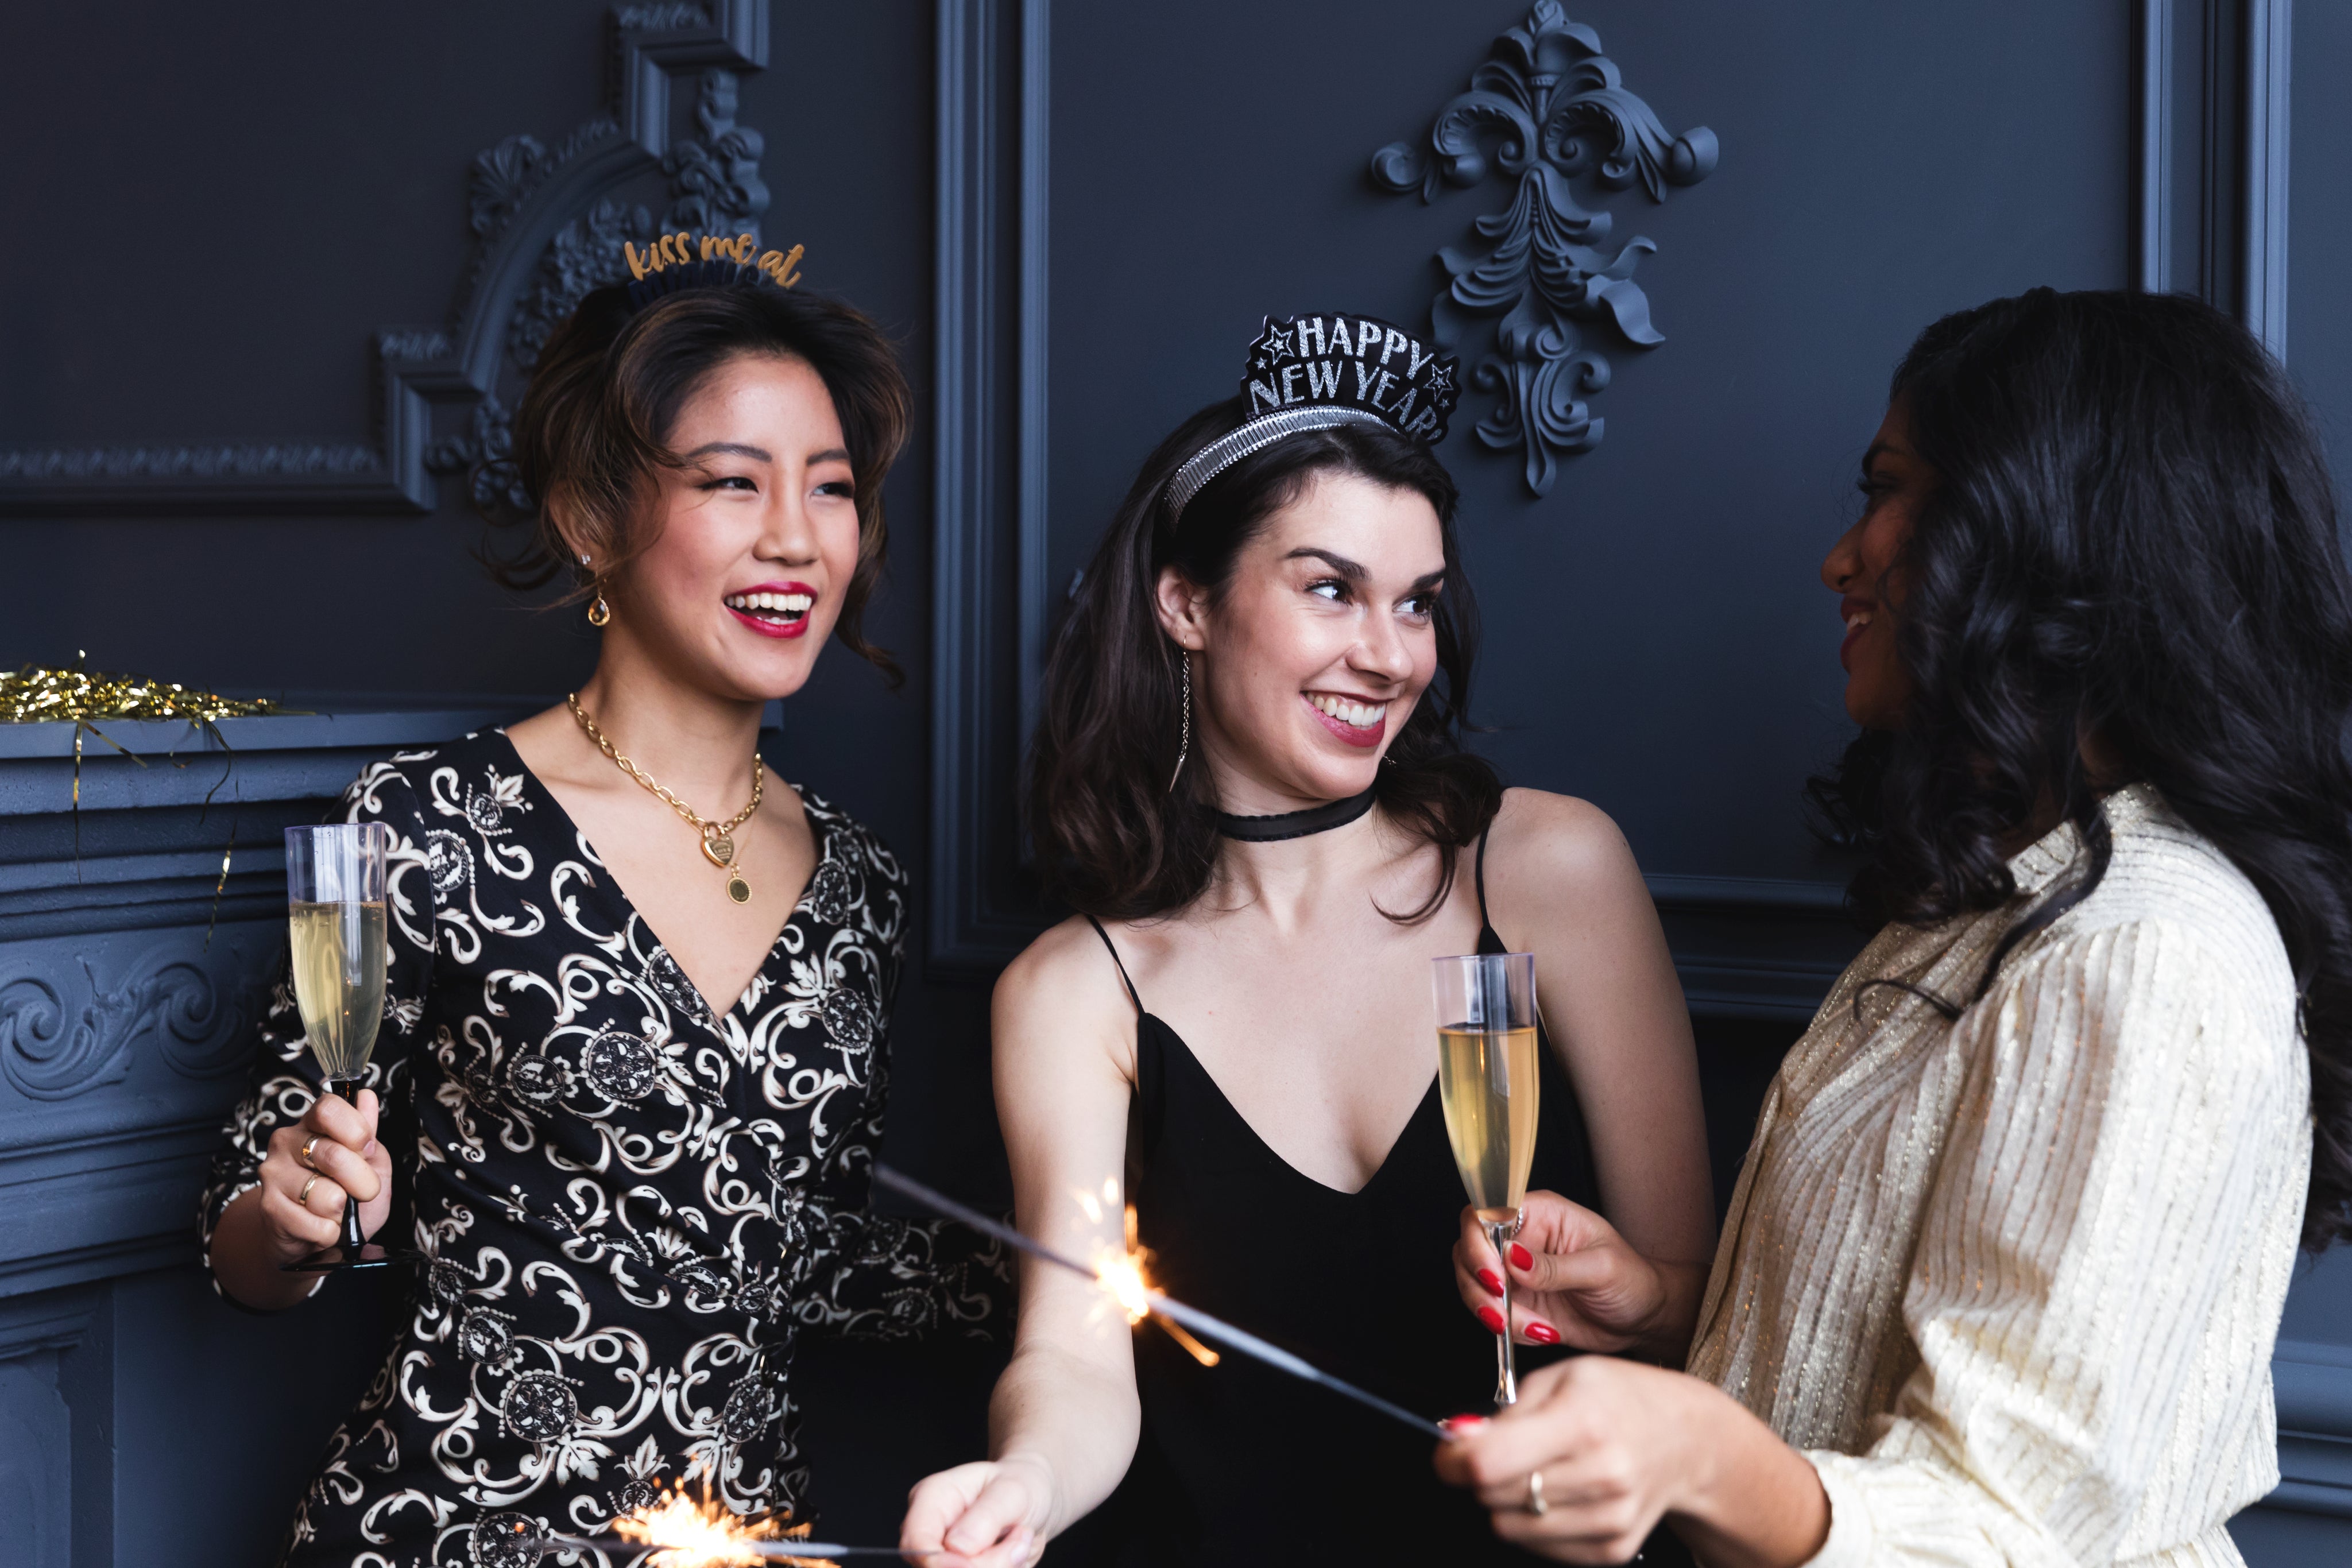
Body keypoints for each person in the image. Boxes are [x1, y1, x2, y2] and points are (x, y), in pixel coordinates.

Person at [1434, 288, 2352, 1567]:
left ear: (2038, 533)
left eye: (1885, 490)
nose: (1842, 555)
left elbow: (2006, 1525)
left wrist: (1690, 1451)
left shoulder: (2141, 949)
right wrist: (1663, 1311)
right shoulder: (2003, 902)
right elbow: (1872, 1346)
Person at [199, 243, 1008, 1566]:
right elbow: (245, 1223)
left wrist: (1093, 1276)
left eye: (832, 489)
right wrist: (292, 1220)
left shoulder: (861, 883)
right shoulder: (425, 822)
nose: (797, 537)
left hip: (744, 1543)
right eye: (733, 484)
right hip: (453, 1532)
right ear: (588, 516)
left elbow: (785, 1251)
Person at [900, 313, 1717, 1566]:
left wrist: (1633, 1296)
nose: (1386, 657)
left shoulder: (1550, 870)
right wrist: (1022, 1483)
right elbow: (1073, 1357)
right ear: (1184, 601)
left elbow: (1694, 1314)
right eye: (1330, 589)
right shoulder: (1077, 990)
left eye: (1417, 604)